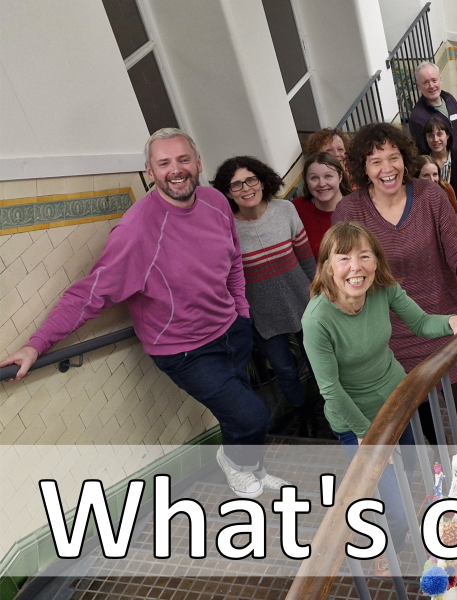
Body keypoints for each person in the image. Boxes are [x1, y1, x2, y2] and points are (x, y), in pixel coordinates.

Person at [0, 128, 287, 498]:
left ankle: (255, 470)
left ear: (198, 164)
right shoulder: (136, 231)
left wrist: (241, 311)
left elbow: (233, 259)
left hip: (232, 331)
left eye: (183, 159)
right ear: (149, 172)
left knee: (240, 414)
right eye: (164, 163)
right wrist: (36, 345)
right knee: (252, 416)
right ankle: (236, 464)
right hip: (185, 351)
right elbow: (90, 294)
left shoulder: (216, 201)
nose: (176, 170)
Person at [302, 221, 457, 569]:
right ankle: (386, 547)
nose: (356, 267)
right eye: (344, 258)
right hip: (356, 423)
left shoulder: (382, 288)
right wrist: (369, 436)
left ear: (376, 259)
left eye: (364, 256)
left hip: (399, 402)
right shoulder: (317, 320)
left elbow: (419, 323)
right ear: (328, 266)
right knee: (397, 509)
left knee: (415, 470)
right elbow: (330, 390)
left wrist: (455, 322)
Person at [333, 123, 457, 446]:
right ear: (363, 168)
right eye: (375, 161)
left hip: (447, 323)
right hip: (392, 337)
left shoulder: (430, 195)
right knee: (424, 423)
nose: (387, 168)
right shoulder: (350, 211)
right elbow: (345, 275)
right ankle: (447, 482)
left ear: (405, 159)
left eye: (393, 158)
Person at [213, 155, 319, 439]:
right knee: (285, 371)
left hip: (305, 303)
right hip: (263, 315)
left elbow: (307, 259)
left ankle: (330, 414)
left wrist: (320, 296)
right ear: (226, 192)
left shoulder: (285, 210)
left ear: (262, 180)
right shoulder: (226, 228)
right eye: (236, 185)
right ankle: (303, 414)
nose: (246, 188)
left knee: (319, 363)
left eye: (251, 180)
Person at [292, 152, 351, 260]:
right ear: (306, 180)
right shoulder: (295, 208)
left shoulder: (359, 207)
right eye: (314, 178)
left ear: (340, 177)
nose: (321, 183)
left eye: (328, 176)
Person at [409, 61, 457, 159]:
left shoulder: (450, 99)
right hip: (440, 170)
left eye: (434, 80)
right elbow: (422, 152)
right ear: (419, 86)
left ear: (440, 80)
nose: (431, 86)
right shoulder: (418, 117)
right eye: (426, 82)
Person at [422, 114, 457, 205]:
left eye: (439, 134)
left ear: (447, 135)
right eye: (430, 135)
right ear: (426, 139)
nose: (435, 139)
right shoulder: (420, 163)